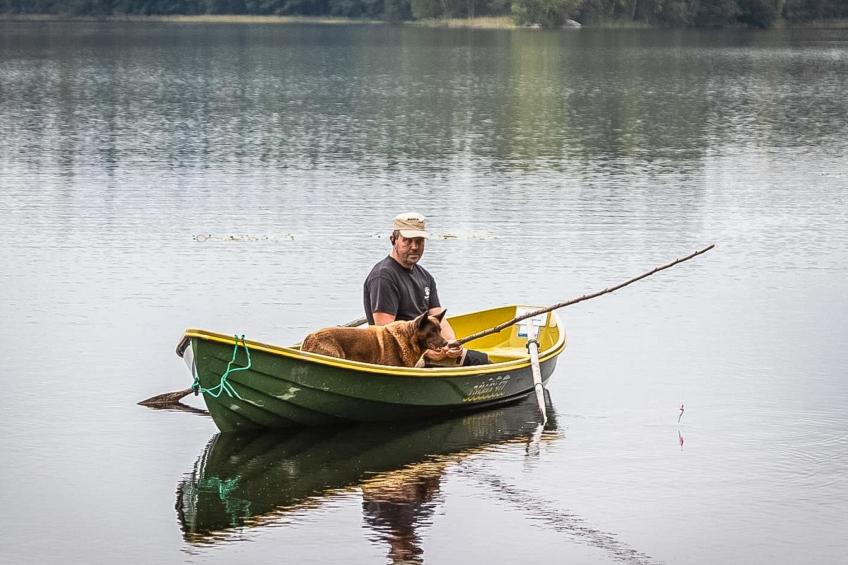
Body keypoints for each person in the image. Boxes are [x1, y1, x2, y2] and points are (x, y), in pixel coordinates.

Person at [363, 212, 489, 367]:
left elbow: (438, 318)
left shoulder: (425, 276)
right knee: (479, 362)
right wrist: (426, 351)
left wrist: (451, 343)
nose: (414, 247)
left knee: (479, 359)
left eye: (419, 241)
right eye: (407, 241)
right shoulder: (384, 276)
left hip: (427, 345)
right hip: (399, 356)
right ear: (393, 240)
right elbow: (385, 332)